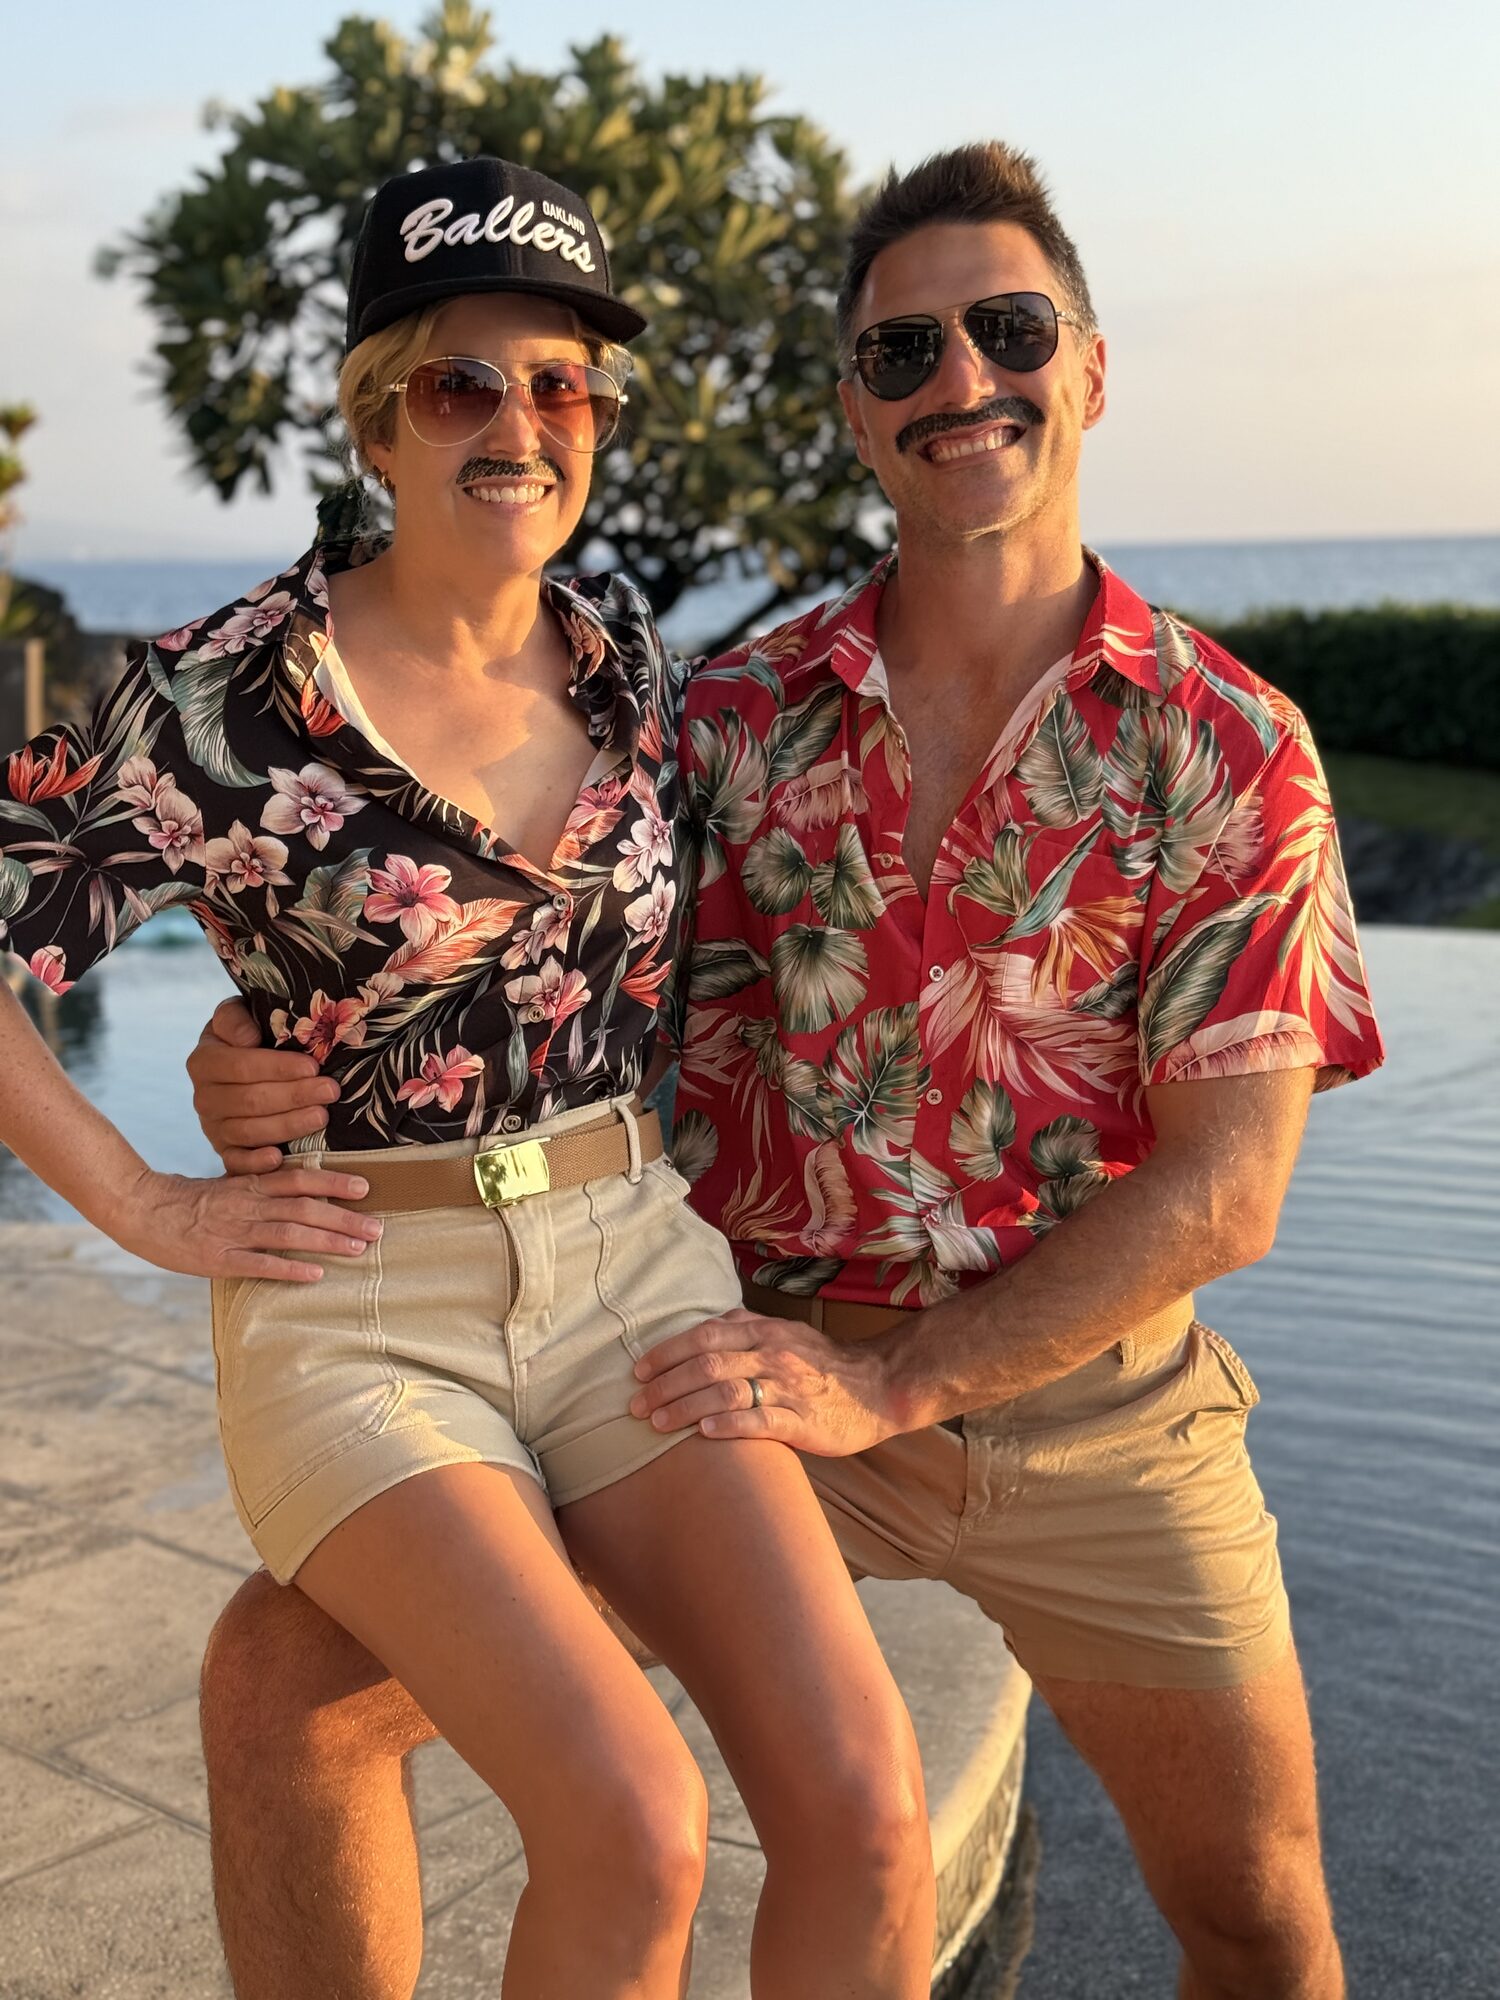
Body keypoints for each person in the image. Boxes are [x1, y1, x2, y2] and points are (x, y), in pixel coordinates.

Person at [190, 143, 1384, 1999]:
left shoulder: (1229, 745)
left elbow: (1229, 1189)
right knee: (287, 1679)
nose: (960, 380)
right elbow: (502, 969)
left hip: (1093, 1408)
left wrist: (898, 1384)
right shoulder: (726, 727)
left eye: (1008, 332)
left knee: (1256, 1911)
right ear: (853, 407)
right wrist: (268, 1042)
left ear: (1088, 369)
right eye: (904, 352)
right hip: (736, 1372)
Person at [0, 157, 936, 2000]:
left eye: (562, 384)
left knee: (865, 1807)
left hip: (629, 1269)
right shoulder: (216, 701)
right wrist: (144, 1201)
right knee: (634, 1822)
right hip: (362, 1311)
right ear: (378, 417)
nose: (520, 425)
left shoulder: (629, 665)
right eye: (461, 385)